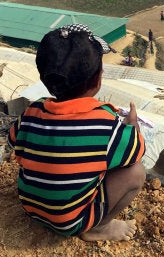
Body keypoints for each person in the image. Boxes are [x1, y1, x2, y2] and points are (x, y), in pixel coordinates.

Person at [8, 24, 145, 242]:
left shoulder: (32, 111)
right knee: (135, 172)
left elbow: (14, 141)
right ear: (98, 79)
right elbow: (136, 151)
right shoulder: (107, 125)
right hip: (71, 222)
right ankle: (99, 228)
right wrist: (132, 126)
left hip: (31, 208)